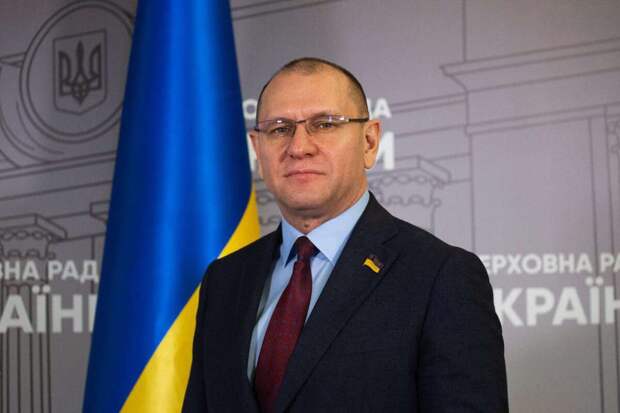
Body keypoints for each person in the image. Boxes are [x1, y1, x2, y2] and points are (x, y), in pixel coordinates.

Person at [183, 57, 508, 412]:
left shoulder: (441, 276)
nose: (299, 147)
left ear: (369, 142)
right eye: (279, 129)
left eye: (324, 124)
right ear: (258, 149)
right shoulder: (224, 281)